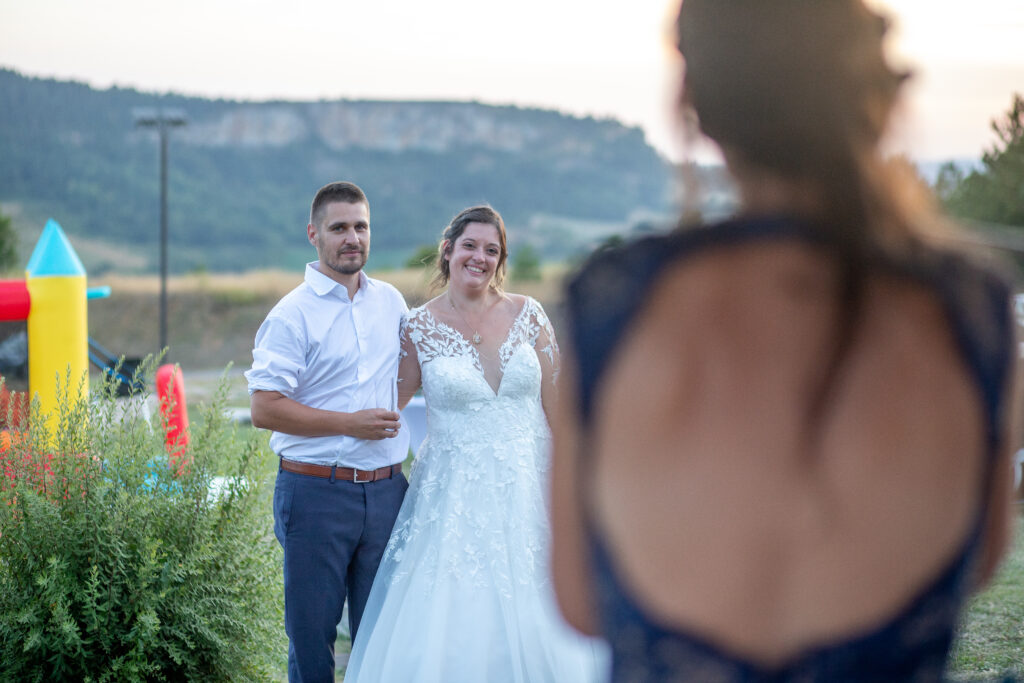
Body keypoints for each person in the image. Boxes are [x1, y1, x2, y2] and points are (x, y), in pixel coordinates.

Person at [550, 1, 1021, 681]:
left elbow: (580, 604)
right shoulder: (969, 307)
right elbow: (977, 560)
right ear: (870, 96)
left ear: (693, 102)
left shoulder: (612, 302)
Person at [344, 206, 607, 682]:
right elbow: (387, 408)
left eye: (492, 250)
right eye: (470, 246)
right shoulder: (418, 327)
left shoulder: (530, 316)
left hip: (533, 492)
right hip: (452, 503)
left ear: (501, 259)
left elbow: (561, 412)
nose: (479, 258)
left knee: (546, 619)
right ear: (447, 251)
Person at [246, 181, 410, 683]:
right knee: (313, 648)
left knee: (382, 641)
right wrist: (349, 424)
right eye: (339, 228)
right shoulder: (291, 315)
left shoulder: (392, 302)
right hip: (316, 492)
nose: (352, 238)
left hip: (387, 493)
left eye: (361, 226)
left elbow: (411, 375)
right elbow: (263, 407)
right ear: (313, 234)